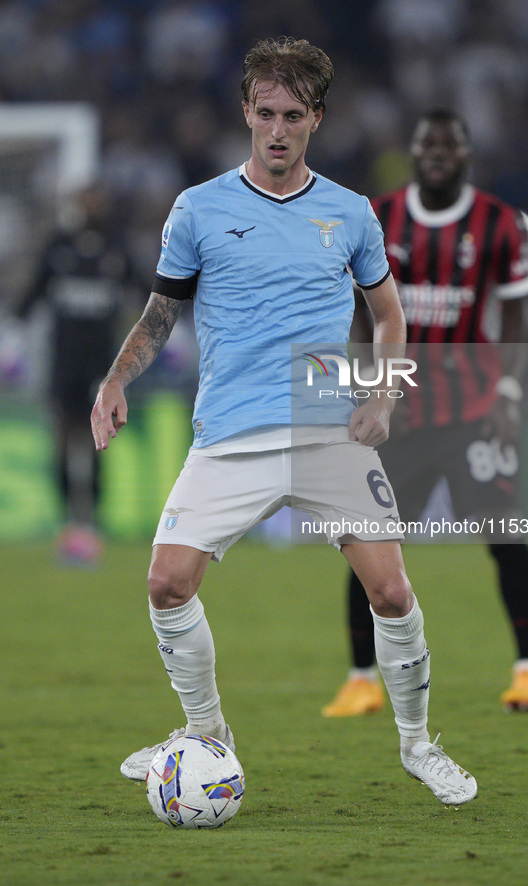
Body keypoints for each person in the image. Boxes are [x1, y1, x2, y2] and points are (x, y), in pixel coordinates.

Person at [91, 40, 477, 806]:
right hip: (230, 432)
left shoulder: (350, 212)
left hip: (327, 427)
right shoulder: (198, 208)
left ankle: (416, 745)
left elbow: (390, 315)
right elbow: (161, 314)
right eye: (263, 113)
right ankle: (207, 733)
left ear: (315, 120)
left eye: (291, 116)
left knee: (392, 594)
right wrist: (115, 379)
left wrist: (385, 396)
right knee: (167, 583)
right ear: (245, 113)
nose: (275, 129)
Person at [323, 109, 528, 719]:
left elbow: (514, 317)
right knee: (367, 540)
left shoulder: (499, 224)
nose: (437, 154)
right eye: (428, 144)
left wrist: (507, 392)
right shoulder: (379, 217)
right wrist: (360, 383)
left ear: (466, 155)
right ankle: (360, 680)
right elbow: (356, 308)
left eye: (449, 146)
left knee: (505, 532)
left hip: (473, 410)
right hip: (398, 412)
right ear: (414, 151)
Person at [18, 184, 137, 563]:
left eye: (97, 198)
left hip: (103, 366)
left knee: (98, 442)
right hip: (64, 362)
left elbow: (150, 295)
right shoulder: (59, 245)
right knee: (63, 438)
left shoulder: (117, 247)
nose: (91, 205)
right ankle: (68, 520)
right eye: (86, 198)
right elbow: (30, 297)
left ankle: (93, 521)